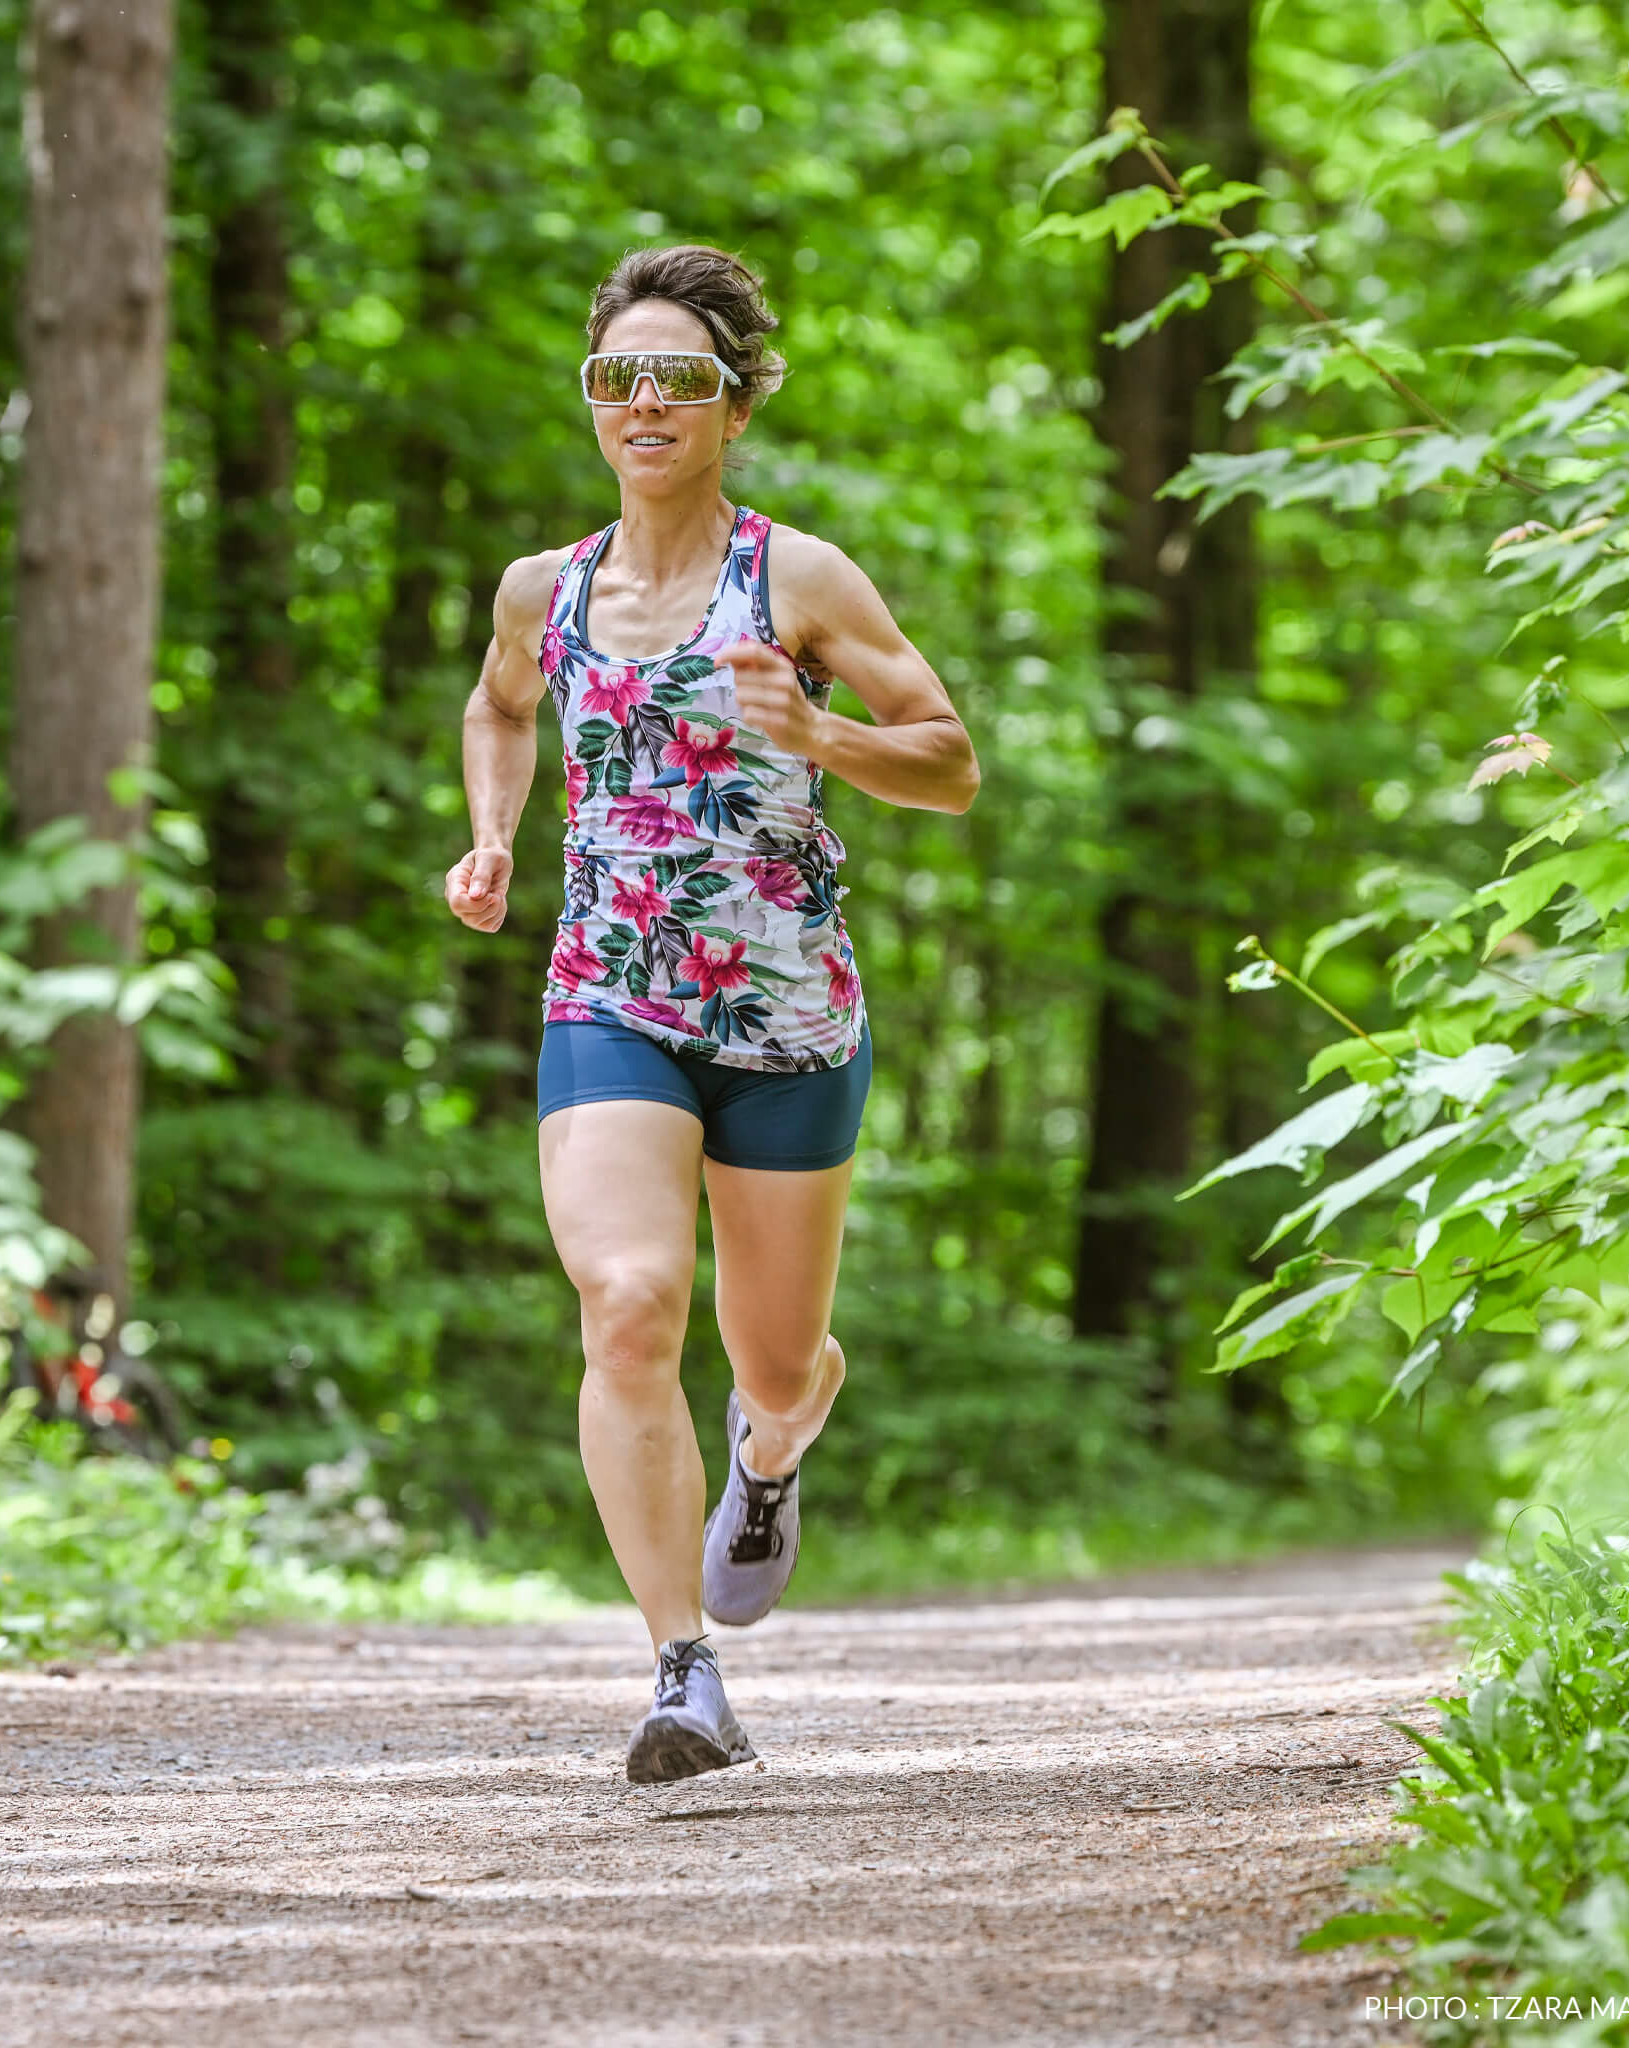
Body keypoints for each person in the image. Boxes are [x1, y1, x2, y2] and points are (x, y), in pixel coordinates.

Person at [443, 244, 979, 1783]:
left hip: (790, 1017)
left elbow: (947, 758)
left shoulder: (795, 578)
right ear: (593, 403)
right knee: (625, 1304)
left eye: (683, 376)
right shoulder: (543, 589)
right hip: (608, 991)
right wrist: (494, 830)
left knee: (774, 1357)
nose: (648, 402)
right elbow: (498, 702)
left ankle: (776, 1445)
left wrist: (818, 730)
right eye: (621, 376)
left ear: (733, 406)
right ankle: (685, 1675)